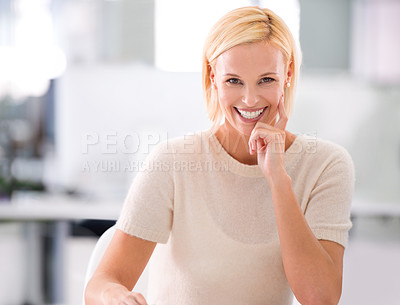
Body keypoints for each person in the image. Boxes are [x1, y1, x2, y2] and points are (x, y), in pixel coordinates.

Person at [85, 6, 354, 305]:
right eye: (233, 81)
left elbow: (321, 298)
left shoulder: (326, 165)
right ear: (213, 77)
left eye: (266, 79)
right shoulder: (172, 162)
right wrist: (116, 297)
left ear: (287, 74)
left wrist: (278, 179)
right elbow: (102, 283)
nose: (250, 99)